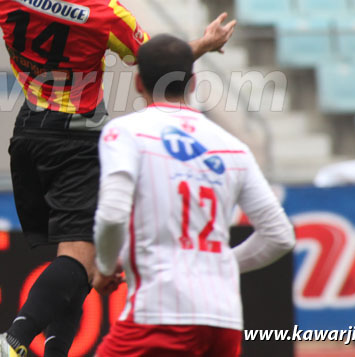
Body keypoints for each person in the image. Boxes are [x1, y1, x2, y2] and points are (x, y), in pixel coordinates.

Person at [0, 0, 236, 357]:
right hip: (76, 142)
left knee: (72, 265)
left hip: (28, 136)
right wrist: (205, 45)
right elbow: (153, 61)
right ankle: (12, 341)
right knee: (80, 264)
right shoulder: (104, 13)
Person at [93, 34, 296, 357]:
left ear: (137, 83)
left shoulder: (125, 133)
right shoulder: (233, 147)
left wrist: (104, 266)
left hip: (159, 313)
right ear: (194, 82)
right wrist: (222, 262)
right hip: (224, 319)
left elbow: (113, 213)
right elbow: (281, 236)